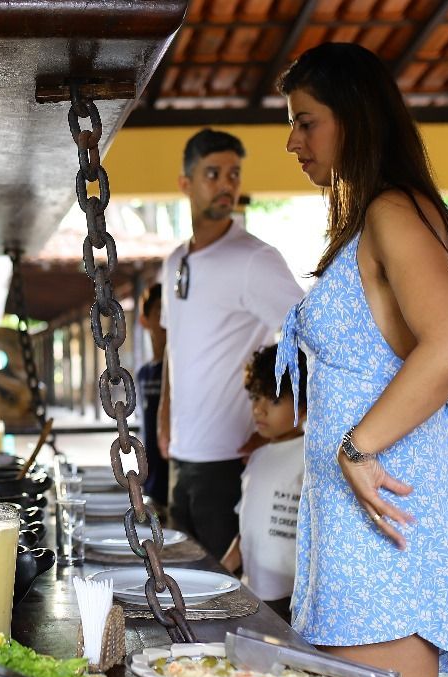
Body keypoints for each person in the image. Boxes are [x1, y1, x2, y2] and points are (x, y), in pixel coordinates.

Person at [275, 42, 448, 677]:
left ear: (354, 119)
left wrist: (356, 449)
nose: (292, 141)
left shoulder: (393, 211)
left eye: (307, 122)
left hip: (388, 525)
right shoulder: (371, 217)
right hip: (357, 525)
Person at [156, 129, 304, 560]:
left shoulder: (255, 260)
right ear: (185, 183)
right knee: (181, 591)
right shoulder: (174, 262)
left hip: (231, 462)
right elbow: (173, 347)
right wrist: (164, 415)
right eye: (213, 173)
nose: (226, 185)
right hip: (180, 460)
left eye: (233, 174)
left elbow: (313, 343)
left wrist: (288, 430)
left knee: (227, 600)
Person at [220, 344, 307, 624]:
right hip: (251, 590)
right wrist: (224, 568)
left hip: (290, 597)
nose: (259, 409)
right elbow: (247, 525)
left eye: (274, 400)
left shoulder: (309, 457)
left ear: (304, 405)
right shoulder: (257, 457)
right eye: (256, 397)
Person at [135, 283, 169, 508]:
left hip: (173, 479)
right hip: (152, 483)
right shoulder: (144, 374)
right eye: (159, 311)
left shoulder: (182, 370)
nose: (165, 319)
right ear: (144, 320)